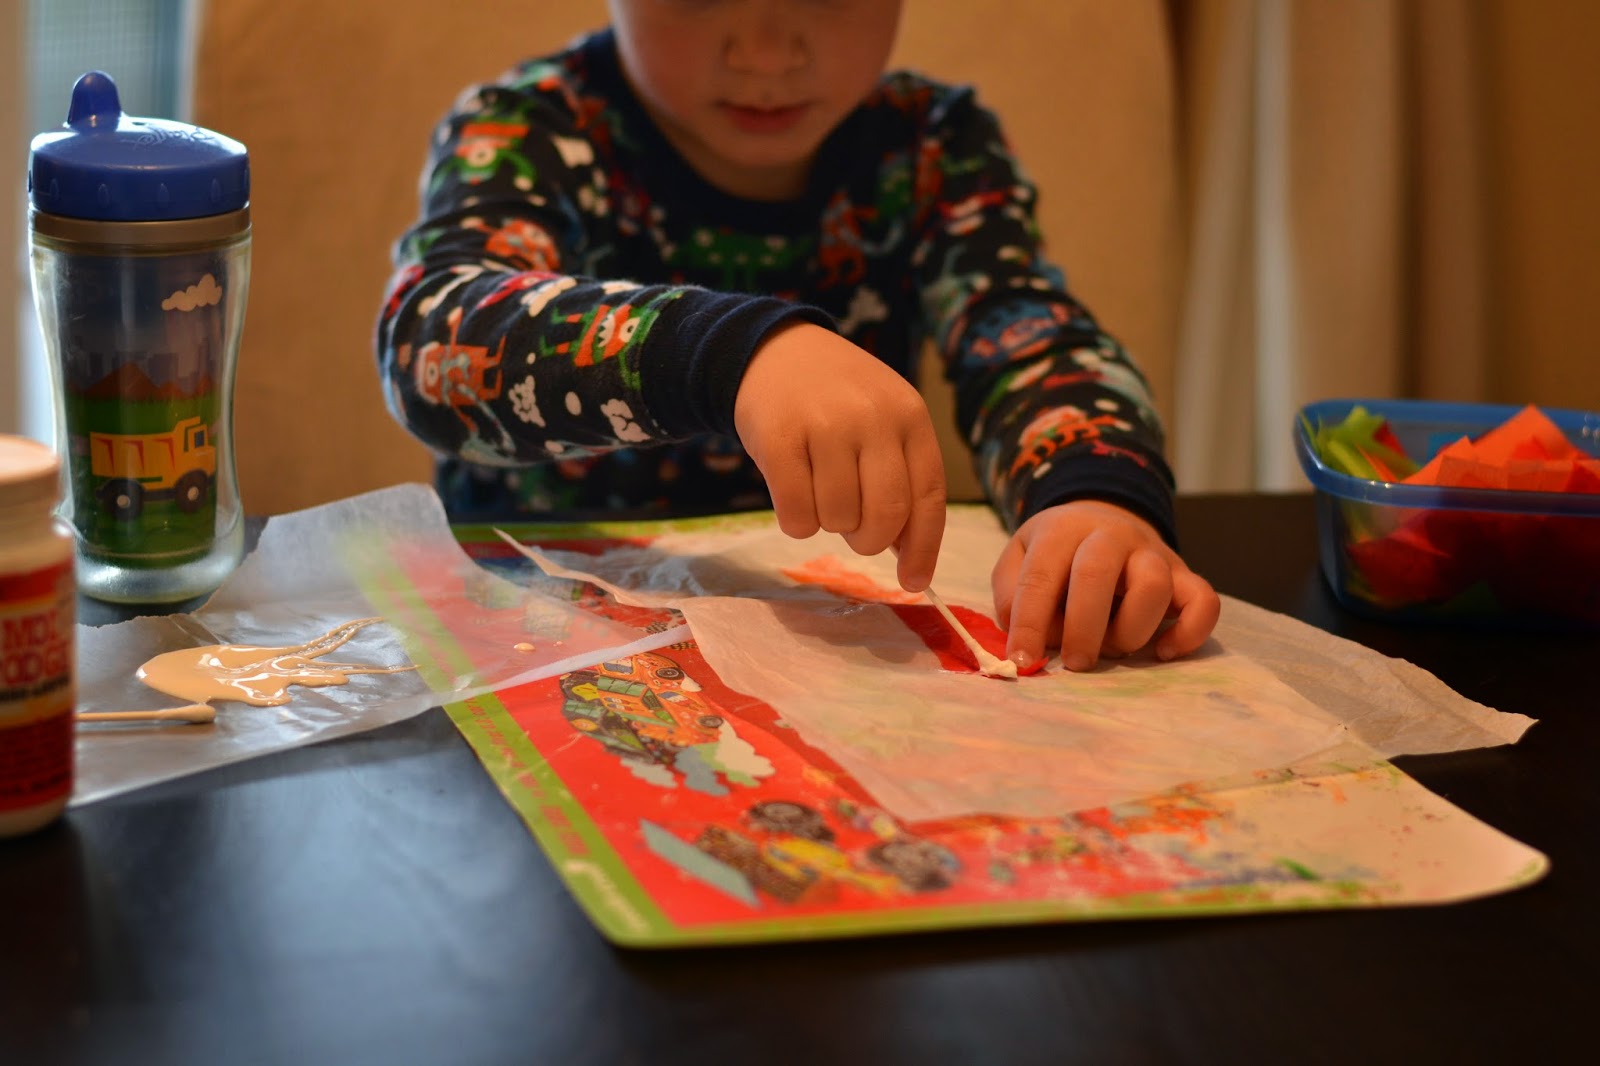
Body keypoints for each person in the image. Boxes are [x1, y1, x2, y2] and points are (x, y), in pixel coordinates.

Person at [376, 0, 1220, 673]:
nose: (767, 53)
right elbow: (434, 338)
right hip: (528, 633)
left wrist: (1092, 495)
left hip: (822, 644)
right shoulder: (525, 130)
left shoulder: (935, 146)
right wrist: (726, 354)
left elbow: (1029, 340)